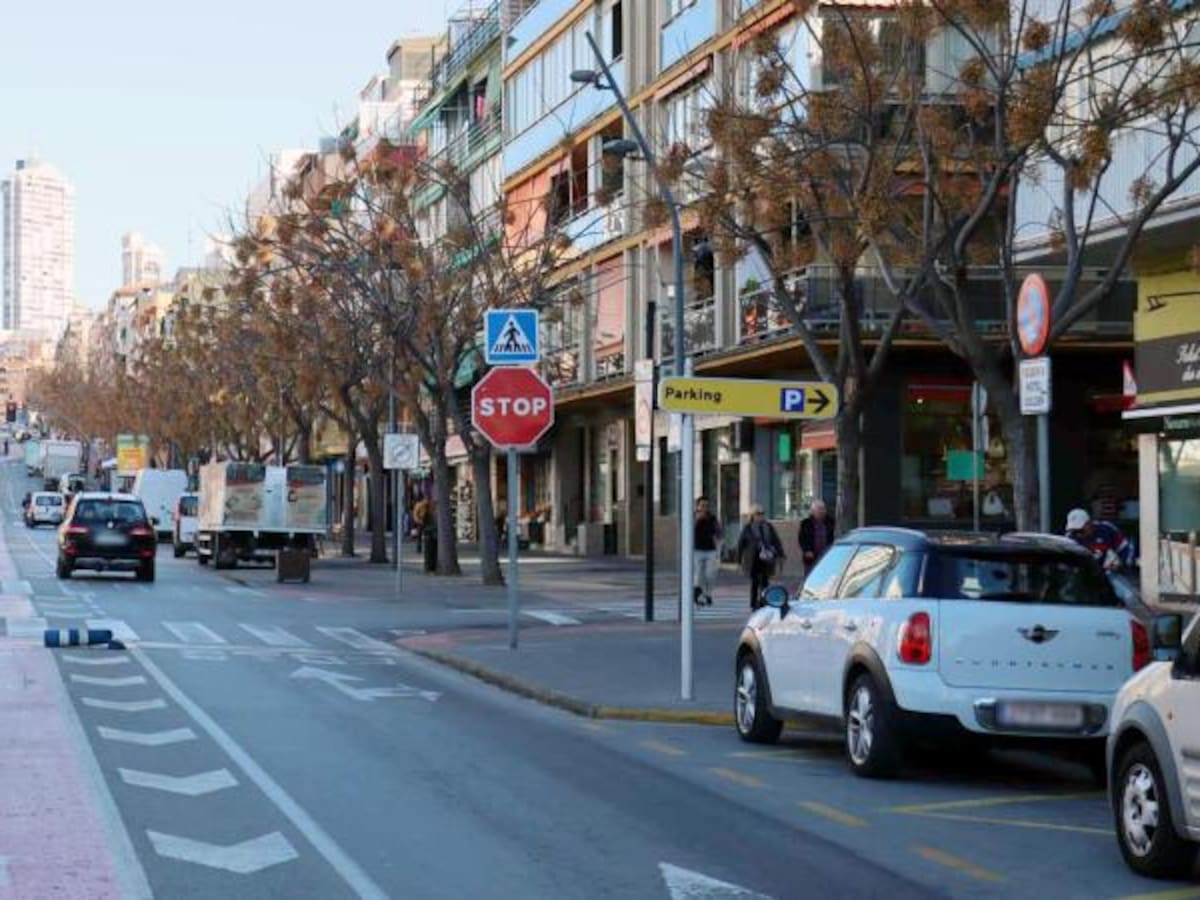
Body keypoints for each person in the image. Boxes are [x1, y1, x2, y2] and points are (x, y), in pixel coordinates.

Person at [737, 505, 784, 610]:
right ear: (752, 515)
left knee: (765, 581)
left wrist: (780, 554)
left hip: (766, 558)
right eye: (758, 514)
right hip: (753, 559)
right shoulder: (748, 528)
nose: (761, 516)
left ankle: (763, 601)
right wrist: (739, 560)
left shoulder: (768, 526)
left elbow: (776, 541)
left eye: (762, 513)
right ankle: (753, 604)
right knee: (755, 582)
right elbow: (741, 544)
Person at [1065, 508, 1134, 570]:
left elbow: (1125, 548)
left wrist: (1121, 564)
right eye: (1074, 531)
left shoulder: (1106, 529)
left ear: (1089, 523)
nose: (1078, 534)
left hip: (1109, 573)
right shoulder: (1070, 537)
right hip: (1082, 574)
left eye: (1080, 530)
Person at [693, 497, 723, 607]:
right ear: (697, 506)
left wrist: (719, 545)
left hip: (710, 549)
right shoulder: (692, 516)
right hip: (696, 549)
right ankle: (697, 594)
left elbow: (718, 532)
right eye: (702, 505)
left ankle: (708, 594)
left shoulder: (712, 518)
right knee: (698, 574)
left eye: (706, 505)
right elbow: (688, 529)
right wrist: (697, 520)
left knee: (710, 574)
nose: (704, 508)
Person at [798, 499, 835, 574]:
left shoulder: (830, 522)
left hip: (827, 556)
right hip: (811, 557)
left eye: (823, 509)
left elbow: (834, 536)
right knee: (811, 575)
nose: (822, 511)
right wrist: (807, 550)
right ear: (813, 511)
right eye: (819, 509)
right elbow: (802, 539)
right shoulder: (806, 524)